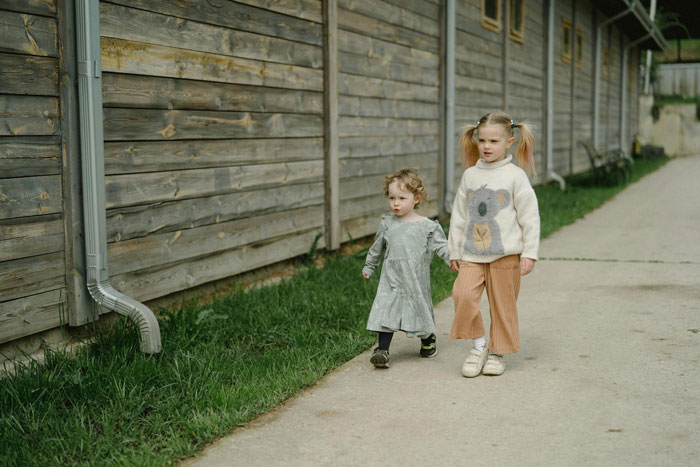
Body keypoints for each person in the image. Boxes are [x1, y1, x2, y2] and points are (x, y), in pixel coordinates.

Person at [448, 111, 540, 377]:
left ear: (509, 141)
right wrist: (455, 249)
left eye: (494, 141)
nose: (487, 146)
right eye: (482, 140)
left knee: (503, 306)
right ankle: (479, 346)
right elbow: (459, 216)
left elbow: (529, 217)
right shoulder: (470, 175)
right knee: (463, 295)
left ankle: (497, 353)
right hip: (472, 254)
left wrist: (530, 253)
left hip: (506, 256)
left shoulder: (515, 176)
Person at [362, 169, 450, 368]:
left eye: (402, 198)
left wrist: (452, 260)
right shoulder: (387, 223)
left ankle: (428, 339)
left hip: (414, 279)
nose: (395, 203)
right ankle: (382, 350)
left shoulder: (427, 226)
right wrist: (369, 266)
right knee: (387, 311)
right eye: (392, 198)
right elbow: (377, 248)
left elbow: (441, 246)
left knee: (419, 310)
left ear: (416, 198)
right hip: (391, 279)